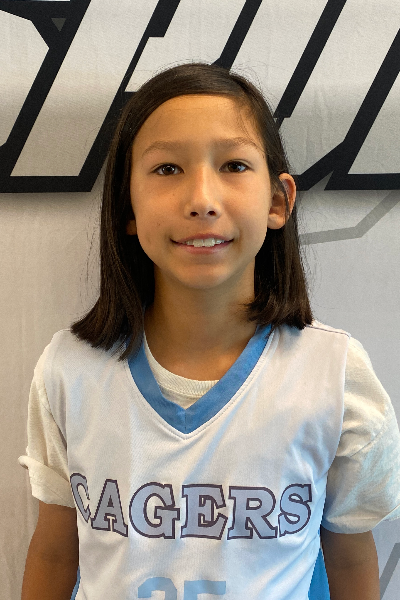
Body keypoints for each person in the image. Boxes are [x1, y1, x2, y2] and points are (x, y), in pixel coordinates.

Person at [19, 62, 400, 600]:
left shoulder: (335, 376)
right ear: (127, 206)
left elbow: (352, 558)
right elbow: (55, 552)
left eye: (234, 165)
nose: (201, 199)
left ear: (278, 201)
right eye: (167, 168)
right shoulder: (69, 369)